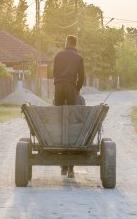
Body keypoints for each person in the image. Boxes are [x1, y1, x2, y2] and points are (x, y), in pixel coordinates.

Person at [53, 35, 85, 178]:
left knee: (59, 119)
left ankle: (63, 166)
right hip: (71, 88)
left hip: (59, 87)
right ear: (75, 43)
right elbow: (82, 77)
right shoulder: (78, 57)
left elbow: (54, 73)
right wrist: (76, 89)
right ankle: (70, 168)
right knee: (71, 123)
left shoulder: (58, 55)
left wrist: (58, 84)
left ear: (66, 42)